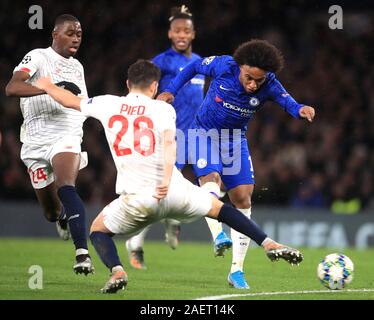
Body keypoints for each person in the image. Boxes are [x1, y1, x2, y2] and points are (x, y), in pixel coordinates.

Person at [34, 59, 304, 294]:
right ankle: (268, 243)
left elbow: (68, 100)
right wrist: (164, 181)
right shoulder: (163, 109)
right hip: (174, 191)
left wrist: (46, 85)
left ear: (128, 84)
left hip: (137, 200)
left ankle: (117, 270)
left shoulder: (107, 104)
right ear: (154, 87)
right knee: (221, 209)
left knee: (97, 231)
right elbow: (170, 143)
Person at [157, 39, 316, 289]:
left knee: (243, 198)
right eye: (249, 77)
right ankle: (217, 234)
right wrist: (172, 90)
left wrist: (300, 109)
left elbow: (287, 101)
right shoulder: (223, 66)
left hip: (234, 141)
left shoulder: (270, 83)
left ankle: (236, 271)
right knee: (211, 180)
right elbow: (194, 67)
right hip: (203, 133)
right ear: (240, 67)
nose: (253, 85)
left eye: (258, 81)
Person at [125, 5, 232, 270]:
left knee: (212, 181)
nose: (182, 34)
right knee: (158, 194)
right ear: (170, 33)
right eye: (177, 30)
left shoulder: (201, 62)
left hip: (197, 134)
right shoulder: (160, 62)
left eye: (187, 30)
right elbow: (141, 92)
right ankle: (136, 243)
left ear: (193, 34)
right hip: (169, 137)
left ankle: (218, 235)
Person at [5, 14, 94, 275]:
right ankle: (62, 217)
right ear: (55, 34)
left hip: (66, 133)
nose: (76, 37)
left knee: (67, 185)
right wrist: (50, 88)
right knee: (51, 212)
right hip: (35, 140)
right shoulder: (38, 57)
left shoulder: (78, 67)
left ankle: (82, 254)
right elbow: (12, 87)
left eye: (79, 33)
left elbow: (80, 101)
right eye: (70, 32)